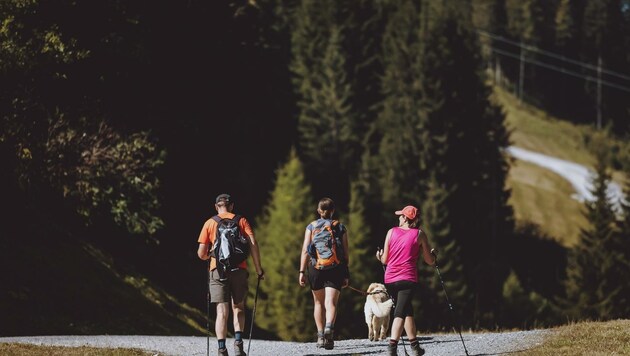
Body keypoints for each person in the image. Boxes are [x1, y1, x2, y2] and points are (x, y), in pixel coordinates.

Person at [197, 194, 264, 356]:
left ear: (216, 206)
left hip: (217, 270)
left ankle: (221, 349)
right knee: (238, 307)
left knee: (221, 311)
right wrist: (258, 269)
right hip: (239, 269)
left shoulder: (210, 222)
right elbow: (253, 244)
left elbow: (201, 254)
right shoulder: (241, 221)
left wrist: (212, 256)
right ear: (231, 206)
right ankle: (238, 342)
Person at [376, 205, 435, 356]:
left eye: (401, 216)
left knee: (407, 310)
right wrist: (434, 256)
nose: (399, 217)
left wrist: (379, 256)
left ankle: (415, 347)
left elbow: (385, 259)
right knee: (400, 312)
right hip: (407, 279)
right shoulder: (419, 234)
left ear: (405, 218)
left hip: (390, 279)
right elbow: (429, 261)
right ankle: (392, 346)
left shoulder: (391, 232)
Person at [298, 197, 349, 350]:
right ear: (332, 211)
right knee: (331, 303)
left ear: (319, 211)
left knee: (318, 303)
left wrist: (301, 271)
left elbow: (305, 251)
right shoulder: (340, 227)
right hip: (336, 268)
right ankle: (329, 329)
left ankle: (320, 336)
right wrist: (346, 273)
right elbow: (346, 254)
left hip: (315, 268)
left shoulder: (311, 226)